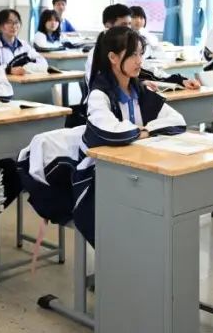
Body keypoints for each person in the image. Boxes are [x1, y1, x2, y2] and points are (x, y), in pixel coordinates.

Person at [71, 26, 187, 245]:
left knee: (168, 201)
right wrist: (138, 132)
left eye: (141, 53)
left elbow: (177, 121)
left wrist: (147, 131)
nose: (139, 60)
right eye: (133, 54)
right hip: (99, 175)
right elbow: (111, 131)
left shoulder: (139, 90)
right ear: (113, 58)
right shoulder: (99, 94)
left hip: (135, 170)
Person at [84, 4, 133, 80]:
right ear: (108, 26)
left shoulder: (130, 46)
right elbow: (95, 81)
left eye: (129, 24)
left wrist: (141, 83)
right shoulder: (96, 53)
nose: (128, 29)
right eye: (123, 24)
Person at [0, 8, 48, 75]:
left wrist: (26, 68)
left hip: (24, 79)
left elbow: (43, 63)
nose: (13, 26)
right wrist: (9, 70)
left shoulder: (24, 44)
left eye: (16, 22)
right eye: (9, 22)